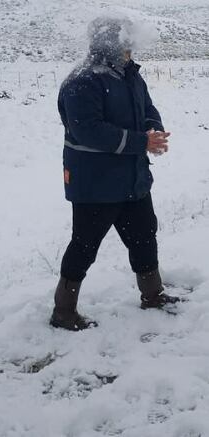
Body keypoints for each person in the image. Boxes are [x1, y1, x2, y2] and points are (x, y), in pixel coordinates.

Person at [50, 17, 180, 331]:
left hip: (132, 178)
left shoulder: (131, 76)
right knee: (85, 244)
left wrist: (153, 131)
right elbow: (88, 131)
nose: (131, 49)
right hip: (95, 183)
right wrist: (140, 142)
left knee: (145, 234)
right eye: (126, 43)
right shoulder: (83, 80)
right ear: (111, 43)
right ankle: (63, 311)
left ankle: (152, 294)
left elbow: (147, 109)